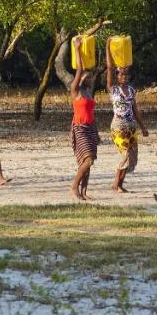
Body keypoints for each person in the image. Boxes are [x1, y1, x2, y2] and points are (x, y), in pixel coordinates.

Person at [106, 40, 147, 193]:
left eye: (126, 73)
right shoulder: (113, 89)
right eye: (121, 74)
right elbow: (109, 68)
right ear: (116, 76)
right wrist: (108, 47)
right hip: (118, 126)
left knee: (133, 156)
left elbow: (135, 109)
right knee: (125, 155)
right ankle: (115, 184)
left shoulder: (131, 89)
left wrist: (143, 127)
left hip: (131, 126)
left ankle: (121, 184)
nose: (124, 76)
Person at [70, 43, 99, 201]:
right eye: (86, 77)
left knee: (90, 161)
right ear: (79, 79)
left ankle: (84, 191)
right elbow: (79, 69)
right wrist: (77, 49)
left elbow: (91, 113)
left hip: (90, 128)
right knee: (86, 160)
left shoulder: (88, 92)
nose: (90, 79)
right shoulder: (76, 90)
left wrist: (97, 132)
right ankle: (74, 187)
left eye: (91, 77)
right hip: (79, 128)